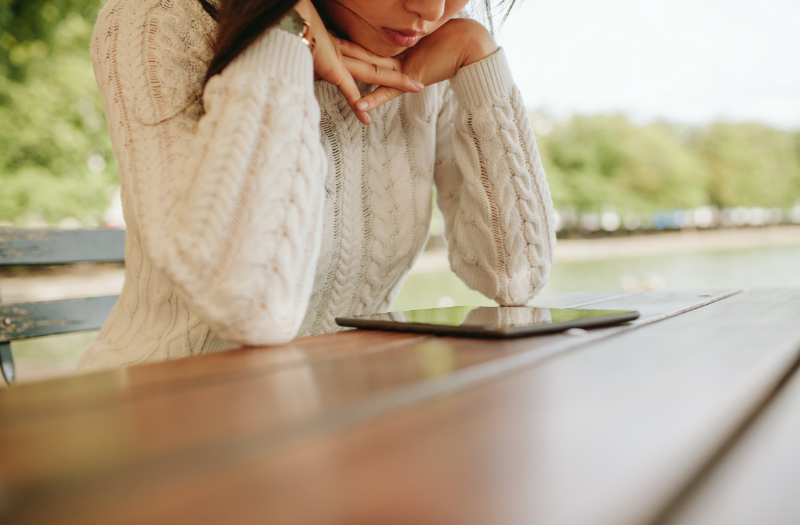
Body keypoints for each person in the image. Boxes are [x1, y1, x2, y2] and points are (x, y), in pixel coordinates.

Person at [76, 0, 556, 371]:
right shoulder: (158, 21)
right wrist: (281, 32)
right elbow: (252, 307)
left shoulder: (430, 50)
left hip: (333, 411)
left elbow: (515, 278)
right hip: (162, 414)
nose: (430, 11)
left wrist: (480, 59)